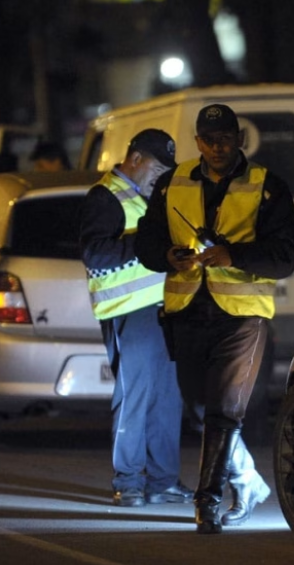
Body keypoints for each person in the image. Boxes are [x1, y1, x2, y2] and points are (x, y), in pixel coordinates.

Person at [135, 104, 294, 534]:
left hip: (242, 315)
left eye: (225, 138)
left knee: (225, 410)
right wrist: (166, 256)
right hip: (187, 308)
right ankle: (246, 481)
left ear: (239, 138)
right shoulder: (173, 183)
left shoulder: (267, 187)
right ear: (197, 142)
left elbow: (286, 257)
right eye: (208, 140)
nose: (217, 147)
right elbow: (147, 242)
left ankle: (206, 502)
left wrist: (235, 255)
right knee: (198, 407)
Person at [79, 128, 193, 508]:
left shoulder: (149, 200)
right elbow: (95, 254)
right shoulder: (105, 197)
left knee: (167, 398)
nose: (161, 179)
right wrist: (146, 245)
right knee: (135, 396)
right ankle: (127, 480)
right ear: (136, 159)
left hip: (164, 308)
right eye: (158, 169)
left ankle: (162, 481)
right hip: (129, 312)